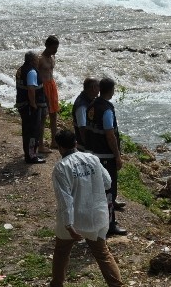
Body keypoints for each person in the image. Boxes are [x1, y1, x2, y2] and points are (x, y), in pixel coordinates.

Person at [50, 130, 125, 287]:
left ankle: (57, 284)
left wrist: (69, 226)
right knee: (102, 253)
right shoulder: (92, 159)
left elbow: (65, 200)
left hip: (74, 218)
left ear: (60, 147)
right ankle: (116, 285)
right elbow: (107, 182)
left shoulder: (61, 167)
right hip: (96, 215)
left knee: (62, 252)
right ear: (75, 143)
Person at [86, 78, 127, 236]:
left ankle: (97, 220)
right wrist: (117, 156)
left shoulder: (92, 105)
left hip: (92, 153)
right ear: (111, 91)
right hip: (105, 156)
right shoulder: (107, 109)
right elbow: (110, 135)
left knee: (96, 190)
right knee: (109, 190)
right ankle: (110, 225)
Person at [15, 51, 46, 164]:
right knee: (33, 132)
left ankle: (29, 154)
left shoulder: (21, 69)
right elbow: (31, 89)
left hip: (22, 104)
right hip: (29, 106)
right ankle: (32, 156)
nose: (39, 60)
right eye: (37, 59)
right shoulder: (32, 72)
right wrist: (33, 104)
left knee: (27, 131)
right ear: (33, 60)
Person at [39, 35, 60, 152]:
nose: (55, 51)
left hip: (52, 85)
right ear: (47, 46)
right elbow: (35, 75)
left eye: (56, 48)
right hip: (43, 87)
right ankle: (40, 144)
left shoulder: (52, 58)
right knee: (43, 117)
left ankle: (54, 141)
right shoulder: (40, 59)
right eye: (53, 48)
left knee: (54, 114)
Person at [72, 78, 99, 152]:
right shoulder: (82, 106)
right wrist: (88, 146)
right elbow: (82, 129)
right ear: (93, 88)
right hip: (84, 147)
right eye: (98, 86)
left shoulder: (89, 100)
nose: (99, 89)